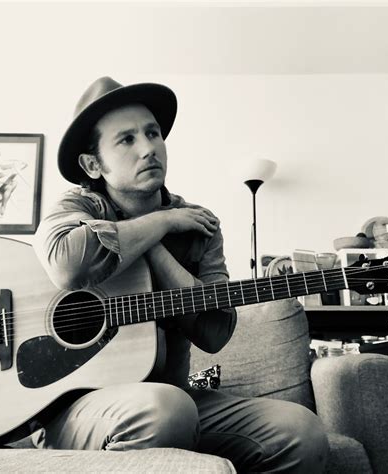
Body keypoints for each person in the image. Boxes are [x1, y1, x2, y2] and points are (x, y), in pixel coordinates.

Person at [32, 76, 329, 473]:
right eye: (127, 140)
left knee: (300, 431)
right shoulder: (77, 206)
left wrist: (152, 243)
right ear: (92, 164)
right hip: (77, 407)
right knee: (166, 409)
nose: (148, 148)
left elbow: (215, 333)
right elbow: (66, 264)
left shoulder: (199, 225)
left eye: (152, 133)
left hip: (176, 400)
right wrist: (161, 223)